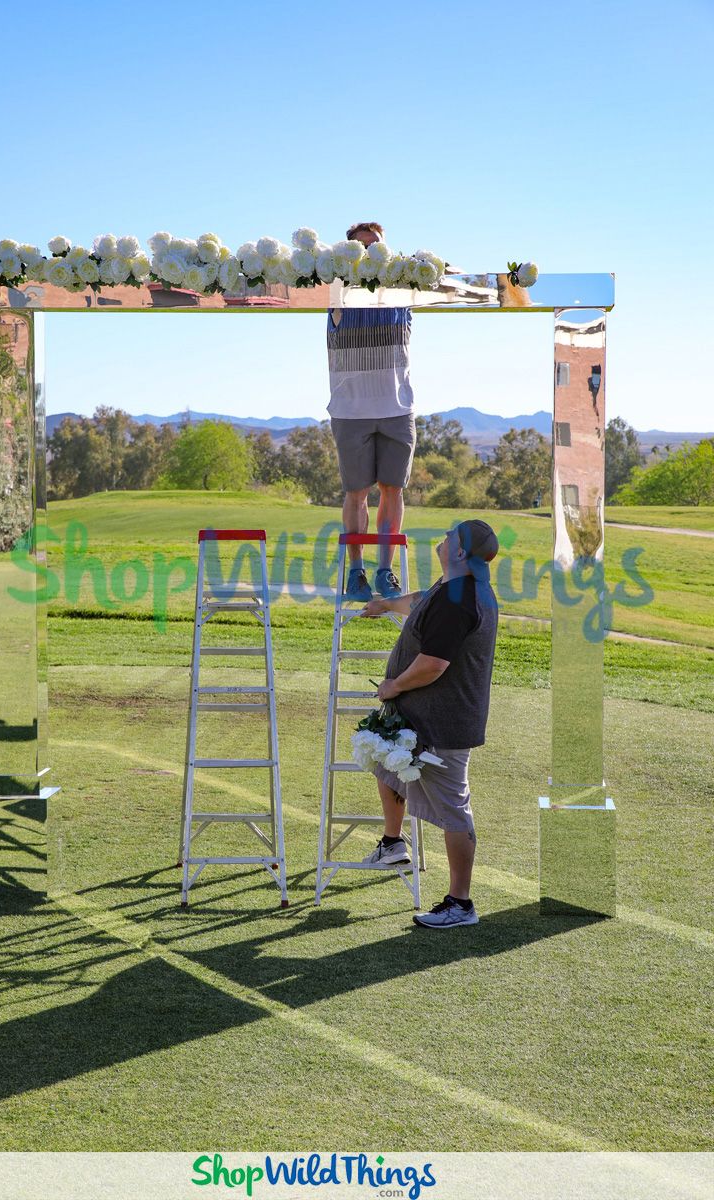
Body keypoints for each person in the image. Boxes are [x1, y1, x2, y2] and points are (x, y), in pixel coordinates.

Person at [358, 519, 499, 929]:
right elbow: (421, 600)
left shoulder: (460, 600)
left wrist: (393, 686)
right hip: (421, 718)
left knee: (454, 810)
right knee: (385, 761)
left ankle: (460, 903)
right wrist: (386, 605)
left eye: (451, 535)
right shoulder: (452, 588)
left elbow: (434, 665)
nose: (443, 537)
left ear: (459, 551)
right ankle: (392, 843)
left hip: (444, 724)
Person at [327, 220, 415, 602]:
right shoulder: (336, 293)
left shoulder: (402, 292)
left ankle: (384, 572)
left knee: (393, 490)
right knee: (357, 492)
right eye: (360, 247)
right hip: (350, 411)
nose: (368, 252)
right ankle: (356, 572)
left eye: (375, 245)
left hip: (397, 408)